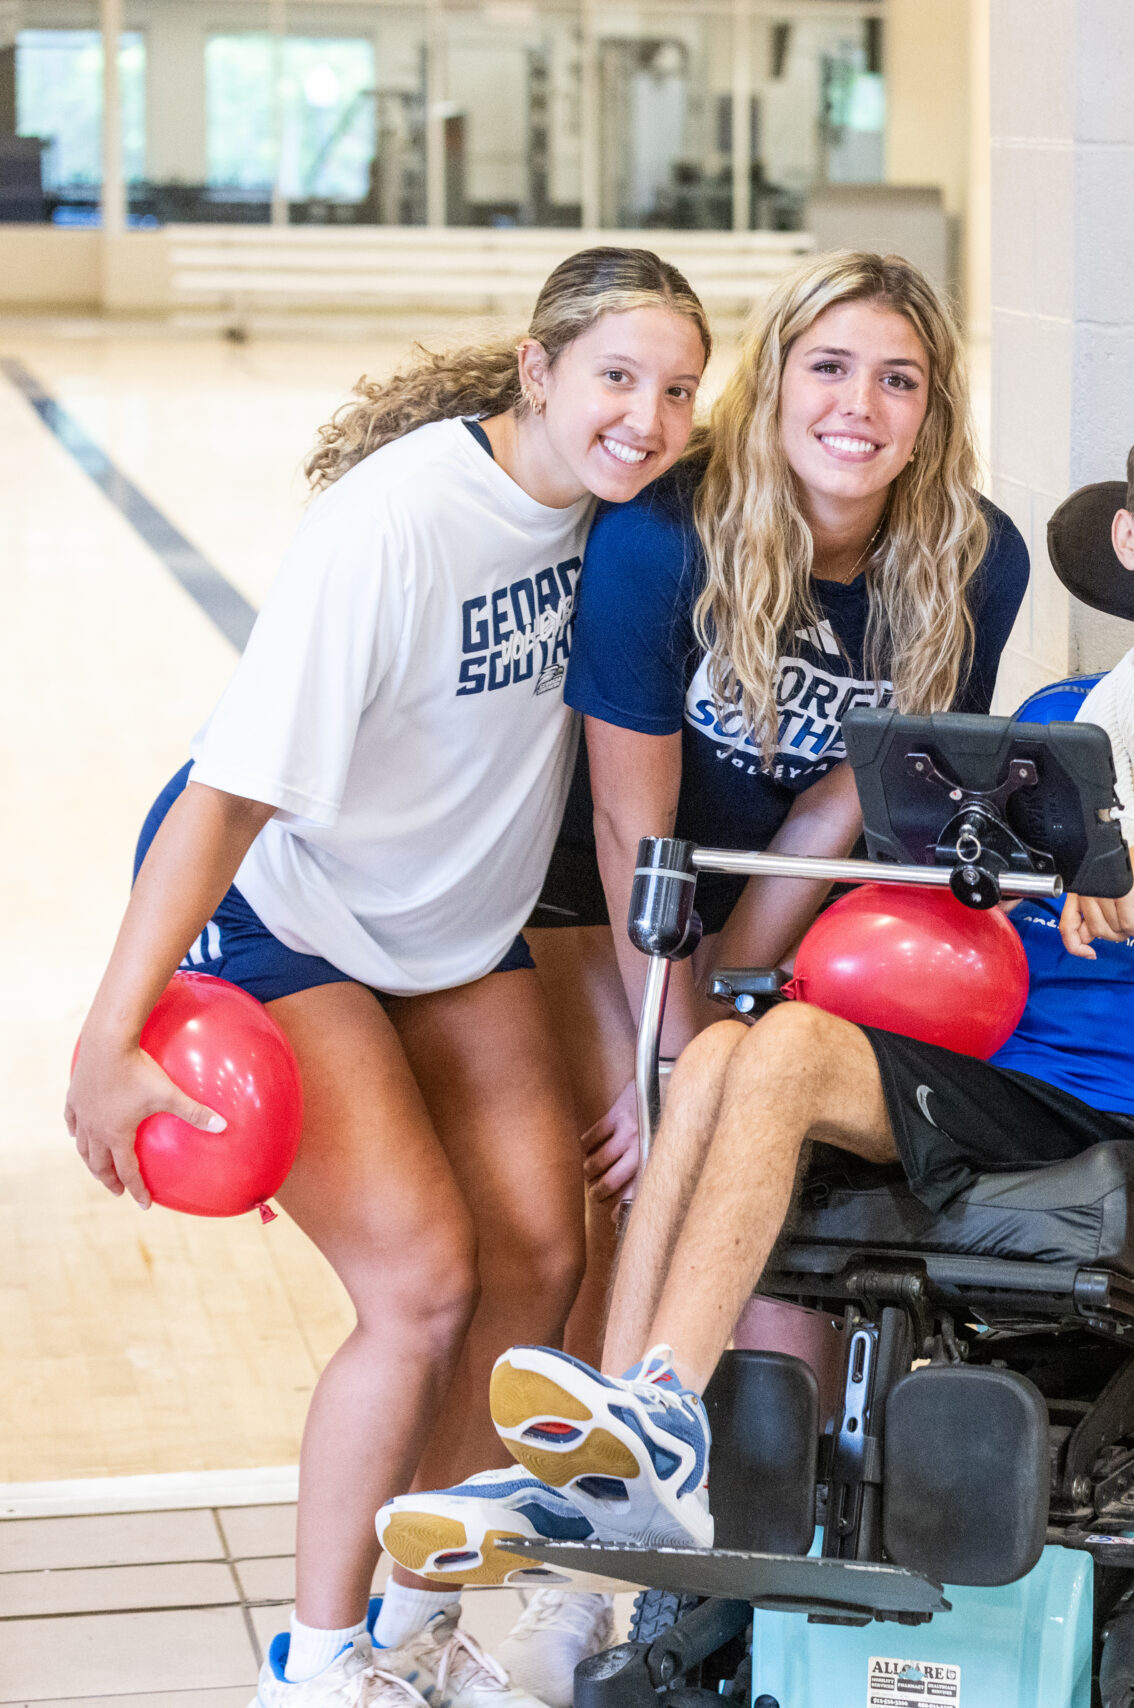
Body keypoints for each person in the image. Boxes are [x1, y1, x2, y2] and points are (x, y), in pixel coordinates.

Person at [376, 387, 1134, 1574]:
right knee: (715, 1051)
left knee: (789, 1050)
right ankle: (627, 1438)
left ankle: (657, 1426)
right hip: (987, 1076)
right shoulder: (1058, 723)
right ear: (1132, 542)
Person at [62, 250, 711, 1708]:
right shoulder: (396, 525)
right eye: (616, 377)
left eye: (678, 390)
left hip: (451, 935)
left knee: (546, 1253)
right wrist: (107, 1036)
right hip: (288, 919)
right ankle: (317, 1657)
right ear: (537, 370)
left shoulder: (620, 519)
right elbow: (224, 797)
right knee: (424, 1281)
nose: (648, 418)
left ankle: (428, 1620)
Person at [520, 253, 1027, 1573]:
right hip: (622, 893)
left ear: (934, 409)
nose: (861, 405)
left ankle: (731, 1549)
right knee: (633, 1180)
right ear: (775, 382)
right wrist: (672, 1047)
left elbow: (843, 808)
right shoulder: (663, 539)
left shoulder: (974, 559)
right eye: (831, 366)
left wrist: (740, 1002)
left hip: (791, 903)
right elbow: (638, 824)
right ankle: (588, 1547)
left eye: (899, 378)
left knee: (772, 1242)